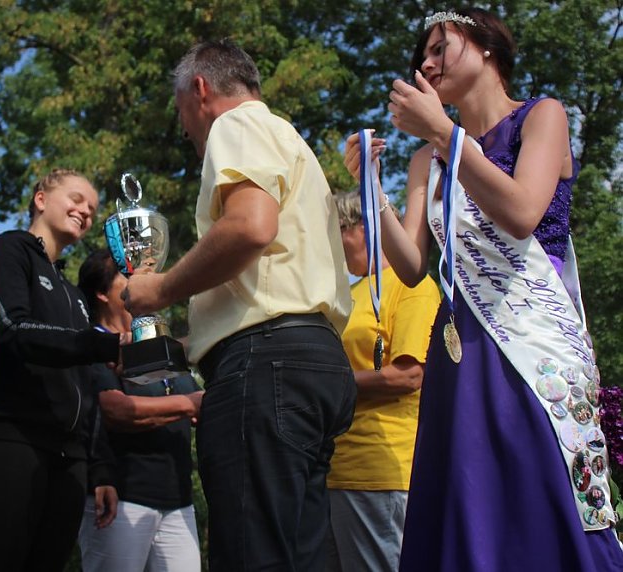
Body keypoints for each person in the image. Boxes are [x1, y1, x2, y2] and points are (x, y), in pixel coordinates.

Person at [342, 8, 623, 571]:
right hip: (462, 348)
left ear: (487, 46)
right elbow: (414, 263)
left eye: (440, 47)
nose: (426, 62)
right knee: (468, 497)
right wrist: (373, 191)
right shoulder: (428, 158)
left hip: (535, 345)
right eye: (422, 56)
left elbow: (522, 211)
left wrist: (445, 133)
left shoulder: (541, 117)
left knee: (541, 485)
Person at [124, 39, 357, 571]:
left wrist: (158, 290)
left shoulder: (236, 125)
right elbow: (271, 275)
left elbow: (250, 226)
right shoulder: (290, 142)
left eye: (180, 109)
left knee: (254, 554)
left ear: (200, 89)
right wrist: (184, 345)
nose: (184, 130)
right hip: (312, 358)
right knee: (302, 554)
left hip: (267, 365)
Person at [0, 170, 122, 572]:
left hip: (69, 461)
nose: (85, 212)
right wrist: (98, 343)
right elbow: (14, 330)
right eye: (76, 199)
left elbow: (87, 388)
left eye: (91, 209)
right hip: (13, 443)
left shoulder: (74, 295)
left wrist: (99, 467)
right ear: (41, 199)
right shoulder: (10, 251)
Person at [325, 190, 440, 572]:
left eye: (336, 231)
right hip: (336, 469)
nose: (334, 244)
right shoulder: (349, 294)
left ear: (362, 227)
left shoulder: (411, 284)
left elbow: (409, 374)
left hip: (382, 469)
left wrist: (324, 382)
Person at [76, 249, 203, 572]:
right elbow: (113, 409)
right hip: (120, 501)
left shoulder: (161, 344)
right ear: (102, 293)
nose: (140, 281)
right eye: (127, 274)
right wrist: (189, 404)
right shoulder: (93, 345)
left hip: (179, 501)